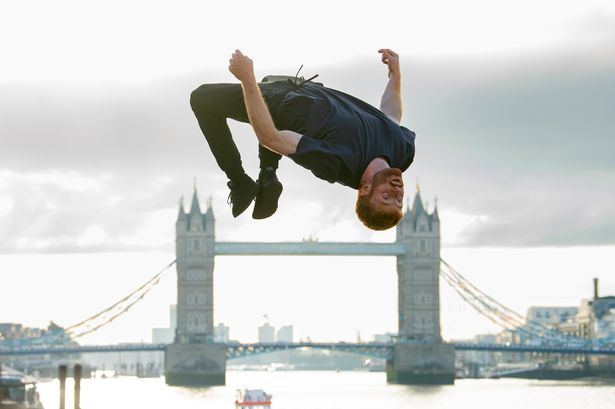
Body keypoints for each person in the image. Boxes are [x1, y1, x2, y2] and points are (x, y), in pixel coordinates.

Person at [190, 49, 415, 230]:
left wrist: (247, 79)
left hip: (279, 101)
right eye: (398, 201)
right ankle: (268, 175)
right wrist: (395, 76)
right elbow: (390, 116)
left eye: (386, 197)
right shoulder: (402, 153)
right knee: (269, 87)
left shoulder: (336, 163)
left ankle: (240, 182)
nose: (397, 193)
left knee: (201, 98)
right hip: (303, 88)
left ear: (365, 189)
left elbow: (270, 137)